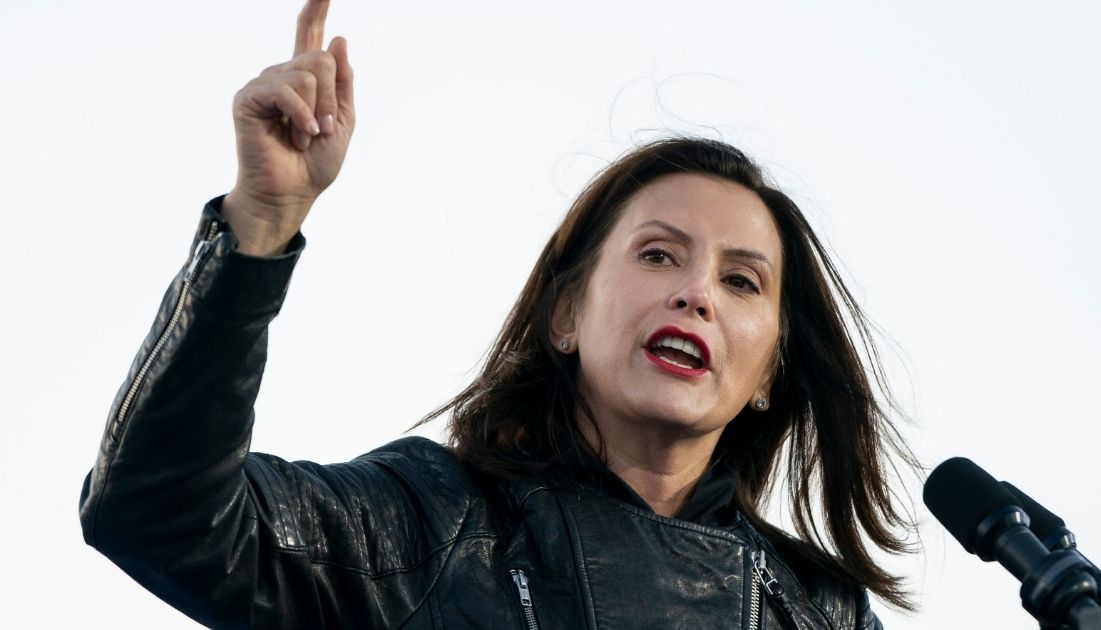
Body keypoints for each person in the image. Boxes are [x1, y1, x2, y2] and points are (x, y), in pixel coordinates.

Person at [79, 1, 917, 627]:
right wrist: (259, 225)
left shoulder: (818, 612)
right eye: (658, 255)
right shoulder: (428, 523)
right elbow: (159, 513)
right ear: (564, 317)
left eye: (742, 282)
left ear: (770, 372)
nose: (695, 292)